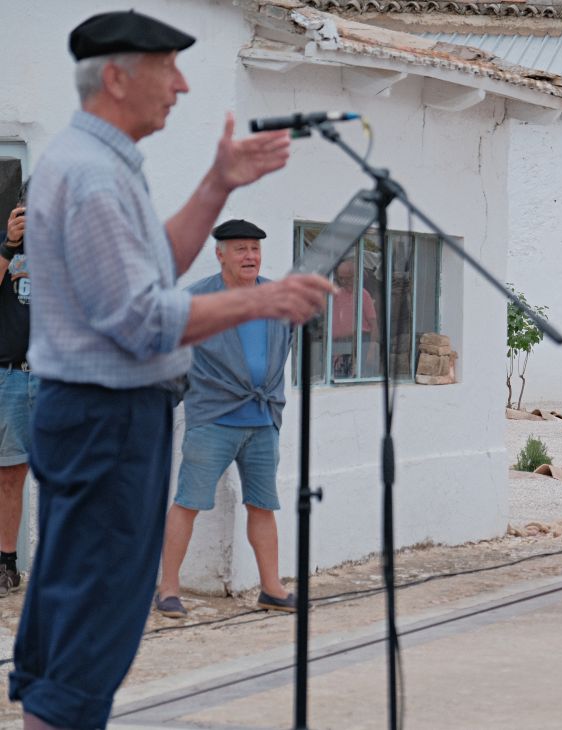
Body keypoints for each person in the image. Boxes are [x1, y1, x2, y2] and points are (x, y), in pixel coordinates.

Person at [9, 12, 333, 729]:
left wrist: (218, 184)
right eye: (167, 69)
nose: (182, 86)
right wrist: (263, 299)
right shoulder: (92, 175)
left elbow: (156, 264)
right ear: (116, 77)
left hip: (100, 415)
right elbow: (140, 319)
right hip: (104, 418)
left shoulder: (103, 162)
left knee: (77, 607)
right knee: (96, 616)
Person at [155, 220, 298, 619]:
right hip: (213, 419)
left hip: (263, 420)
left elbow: (283, 348)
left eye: (255, 249)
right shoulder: (195, 300)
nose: (250, 256)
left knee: (263, 505)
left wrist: (273, 401)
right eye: (240, 249)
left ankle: (271, 588)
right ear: (220, 254)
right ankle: (168, 590)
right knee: (188, 503)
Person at [0, 186, 36, 596]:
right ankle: (7, 564)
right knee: (9, 474)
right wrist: (9, 245)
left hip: (58, 378)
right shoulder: (5, 245)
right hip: (10, 376)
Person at [331, 258, 378, 379]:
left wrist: (372, 349)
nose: (344, 282)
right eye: (341, 278)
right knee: (340, 379)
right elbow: (334, 323)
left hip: (361, 342)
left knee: (358, 378)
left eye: (348, 278)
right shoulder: (337, 295)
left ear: (356, 277)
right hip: (341, 343)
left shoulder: (363, 295)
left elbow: (374, 325)